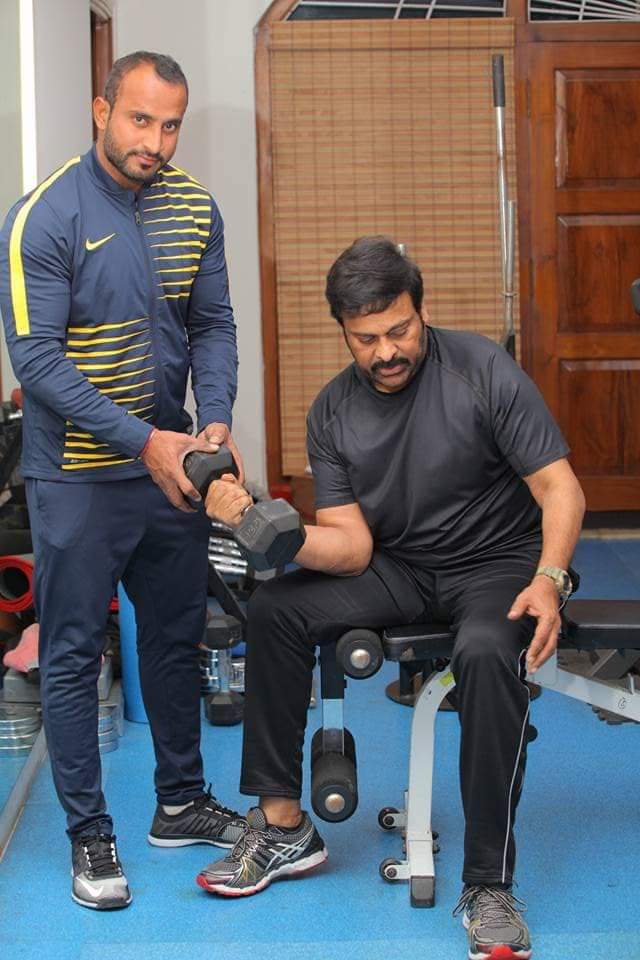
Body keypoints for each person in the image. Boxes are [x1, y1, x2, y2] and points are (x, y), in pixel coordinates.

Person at [198, 237, 585, 959]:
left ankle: (489, 886)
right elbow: (349, 546)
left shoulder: (482, 371)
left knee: (483, 648)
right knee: (278, 609)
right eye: (366, 338)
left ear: (421, 309)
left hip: (497, 563)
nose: (386, 351)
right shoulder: (333, 412)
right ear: (344, 332)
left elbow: (560, 487)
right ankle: (284, 827)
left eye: (399, 330)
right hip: (403, 567)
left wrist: (550, 578)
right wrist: (260, 525)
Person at [0, 51, 251, 910]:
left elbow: (213, 323)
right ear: (102, 110)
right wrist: (146, 440)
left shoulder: (194, 207)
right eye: (140, 120)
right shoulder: (45, 215)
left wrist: (211, 418)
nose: (155, 141)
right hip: (76, 476)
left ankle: (180, 803)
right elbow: (33, 358)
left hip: (171, 469)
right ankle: (88, 835)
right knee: (72, 654)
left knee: (176, 639)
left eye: (171, 124)